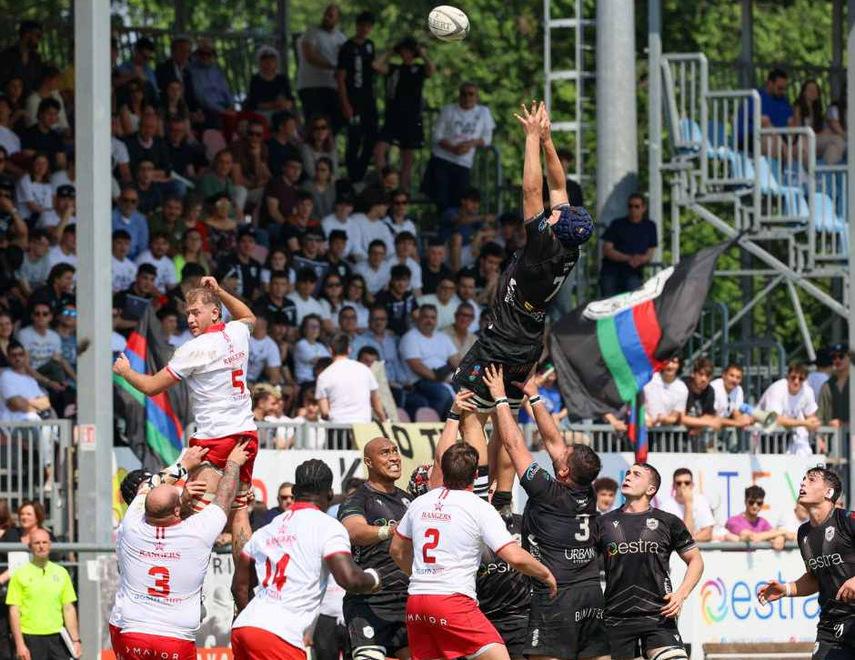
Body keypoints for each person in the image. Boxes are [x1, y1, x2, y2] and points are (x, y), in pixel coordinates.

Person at [450, 101, 593, 502]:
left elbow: (533, 190)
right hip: (529, 339)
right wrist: (549, 142)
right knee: (506, 414)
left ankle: (477, 490)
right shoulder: (569, 247)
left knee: (469, 407)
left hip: (505, 336)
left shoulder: (543, 247)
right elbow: (558, 188)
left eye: (555, 214)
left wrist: (531, 138)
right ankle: (502, 496)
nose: (553, 209)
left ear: (555, 228)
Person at [111, 276, 258, 562]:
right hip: (246, 435)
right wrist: (220, 292)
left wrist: (125, 371)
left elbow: (152, 387)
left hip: (213, 439)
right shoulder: (237, 333)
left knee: (190, 511)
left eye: (196, 312)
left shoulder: (193, 349)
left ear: (214, 312)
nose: (190, 319)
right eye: (187, 314)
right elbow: (248, 315)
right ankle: (245, 590)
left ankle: (179, 575)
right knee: (239, 512)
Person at [483, 364, 608, 660]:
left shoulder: (547, 491)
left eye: (563, 457)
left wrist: (501, 398)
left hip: (556, 592)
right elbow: (555, 441)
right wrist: (534, 396)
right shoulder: (586, 492)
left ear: (563, 471)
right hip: (591, 592)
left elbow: (514, 445)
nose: (558, 450)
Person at [390, 443, 556, 660]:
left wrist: (418, 577)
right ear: (476, 474)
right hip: (452, 601)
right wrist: (545, 574)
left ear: (444, 470)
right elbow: (514, 556)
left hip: (417, 602)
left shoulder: (421, 502)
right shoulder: (477, 506)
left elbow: (396, 550)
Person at [231, 459, 382, 659]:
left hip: (244, 627)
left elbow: (239, 587)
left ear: (294, 491)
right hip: (279, 634)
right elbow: (350, 579)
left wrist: (254, 623)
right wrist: (376, 578)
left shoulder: (267, 529)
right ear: (329, 494)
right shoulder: (327, 526)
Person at [109, 443, 246, 660]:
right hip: (175, 637)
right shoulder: (197, 533)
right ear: (176, 508)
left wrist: (183, 465)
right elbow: (225, 497)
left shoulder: (130, 526)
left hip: (132, 630)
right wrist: (233, 464)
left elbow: (148, 487)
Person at [593, 463, 703, 660]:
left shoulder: (669, 522)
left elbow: (696, 560)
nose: (628, 477)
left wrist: (681, 594)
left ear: (651, 489)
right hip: (616, 618)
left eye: (636, 474)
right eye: (627, 473)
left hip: (658, 617)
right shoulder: (603, 523)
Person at [757, 467, 855, 658]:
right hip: (831, 624)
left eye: (811, 480)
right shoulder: (804, 533)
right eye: (803, 479)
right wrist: (785, 589)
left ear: (828, 492)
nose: (803, 483)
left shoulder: (847, 520)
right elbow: (815, 578)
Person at [338, 438, 410, 660]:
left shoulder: (409, 500)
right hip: (369, 602)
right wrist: (390, 531)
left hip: (406, 602)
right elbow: (353, 531)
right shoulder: (358, 498)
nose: (394, 457)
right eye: (385, 453)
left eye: (395, 451)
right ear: (369, 462)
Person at [7, 529, 80, 660]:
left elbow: (68, 608)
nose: (41, 546)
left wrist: (75, 640)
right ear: (30, 547)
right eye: (37, 543)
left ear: (50, 545)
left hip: (57, 638)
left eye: (44, 542)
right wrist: (20, 644)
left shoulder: (61, 573)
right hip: (29, 638)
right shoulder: (19, 574)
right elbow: (14, 611)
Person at [422, 83, 495, 212]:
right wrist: (453, 148)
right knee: (441, 200)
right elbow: (437, 136)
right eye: (464, 94)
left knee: (460, 200)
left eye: (471, 94)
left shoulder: (483, 112)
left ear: (476, 97)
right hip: (442, 158)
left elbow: (487, 139)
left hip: (464, 162)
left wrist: (471, 144)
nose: (467, 97)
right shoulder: (448, 110)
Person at [373, 37, 434, 191]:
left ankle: (403, 192)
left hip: (411, 118)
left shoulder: (418, 70)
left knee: (407, 161)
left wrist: (422, 53)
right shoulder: (394, 69)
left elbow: (431, 70)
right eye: (403, 51)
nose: (406, 54)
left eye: (409, 51)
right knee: (379, 150)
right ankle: (384, 183)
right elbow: (376, 65)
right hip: (393, 117)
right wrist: (391, 51)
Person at [337, 11, 378, 183]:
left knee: (372, 136)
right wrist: (345, 103)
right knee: (354, 139)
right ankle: (352, 177)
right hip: (353, 99)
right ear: (357, 26)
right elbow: (340, 77)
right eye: (362, 25)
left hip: (368, 99)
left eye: (368, 26)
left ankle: (359, 175)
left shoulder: (370, 45)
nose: (364, 29)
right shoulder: (347, 47)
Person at [400, 304, 459, 416]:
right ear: (419, 318)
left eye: (433, 318)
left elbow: (457, 361)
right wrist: (439, 379)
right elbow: (416, 366)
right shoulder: (410, 337)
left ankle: (459, 428)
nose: (429, 321)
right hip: (419, 381)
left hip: (443, 376)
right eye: (426, 317)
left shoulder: (443, 337)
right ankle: (436, 426)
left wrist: (468, 378)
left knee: (465, 391)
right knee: (442, 393)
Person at [296, 4, 347, 130]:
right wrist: (332, 66)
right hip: (311, 87)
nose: (326, 18)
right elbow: (310, 56)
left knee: (335, 123)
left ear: (337, 19)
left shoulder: (342, 38)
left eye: (330, 16)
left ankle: (329, 148)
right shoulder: (311, 33)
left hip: (333, 87)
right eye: (325, 14)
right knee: (314, 125)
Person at [316, 333, 386, 423]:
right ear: (349, 350)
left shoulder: (324, 376)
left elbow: (324, 411)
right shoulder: (364, 370)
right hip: (362, 426)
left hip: (337, 428)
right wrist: (383, 419)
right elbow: (376, 400)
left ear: (330, 350)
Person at [599, 193, 658, 297]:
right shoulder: (617, 224)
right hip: (611, 271)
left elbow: (650, 252)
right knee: (608, 303)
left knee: (634, 300)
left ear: (643, 208)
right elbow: (607, 249)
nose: (633, 209)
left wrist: (640, 259)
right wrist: (628, 258)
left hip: (633, 273)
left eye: (637, 206)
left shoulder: (650, 226)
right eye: (630, 206)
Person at [758, 361, 821, 456]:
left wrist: (816, 430)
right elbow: (775, 419)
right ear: (787, 376)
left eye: (801, 379)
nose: (796, 381)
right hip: (764, 434)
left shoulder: (807, 391)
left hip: (786, 436)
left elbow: (811, 418)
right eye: (793, 377)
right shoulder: (777, 389)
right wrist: (804, 423)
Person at [658, 468, 715, 542]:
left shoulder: (701, 500)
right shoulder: (666, 507)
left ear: (692, 485)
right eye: (679, 483)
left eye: (687, 483)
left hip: (700, 550)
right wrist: (688, 504)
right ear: (674, 486)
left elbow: (708, 534)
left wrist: (688, 540)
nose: (683, 486)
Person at [680, 356, 723, 434]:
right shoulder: (682, 387)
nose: (704, 379)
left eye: (707, 376)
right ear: (693, 374)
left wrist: (699, 427)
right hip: (673, 438)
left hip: (694, 439)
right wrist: (707, 423)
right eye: (701, 374)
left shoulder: (710, 391)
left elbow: (709, 415)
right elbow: (681, 418)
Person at [643, 356, 688, 427]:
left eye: (674, 362)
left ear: (679, 365)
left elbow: (676, 415)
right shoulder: (649, 379)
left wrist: (662, 419)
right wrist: (647, 419)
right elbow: (639, 404)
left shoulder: (682, 388)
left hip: (664, 432)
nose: (670, 365)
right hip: (643, 429)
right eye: (667, 361)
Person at [710, 363, 753, 427]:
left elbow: (736, 412)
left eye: (738, 377)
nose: (734, 380)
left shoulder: (738, 390)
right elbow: (712, 418)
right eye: (731, 376)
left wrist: (747, 420)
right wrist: (737, 423)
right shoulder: (714, 388)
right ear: (724, 375)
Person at [818, 343, 849, 428]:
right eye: (834, 357)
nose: (837, 360)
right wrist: (820, 439)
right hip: (832, 439)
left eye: (841, 356)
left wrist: (844, 424)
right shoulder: (826, 386)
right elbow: (820, 417)